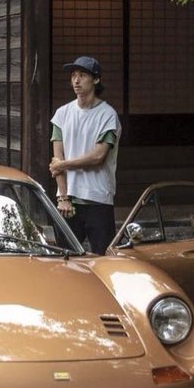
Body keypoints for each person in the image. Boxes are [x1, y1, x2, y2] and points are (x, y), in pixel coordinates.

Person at [49, 55, 121, 255]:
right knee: (65, 259)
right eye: (73, 75)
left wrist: (64, 165)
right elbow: (57, 159)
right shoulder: (62, 114)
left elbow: (98, 157)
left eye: (82, 75)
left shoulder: (107, 115)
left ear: (96, 80)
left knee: (103, 258)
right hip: (68, 200)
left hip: (98, 198)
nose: (76, 80)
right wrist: (63, 197)